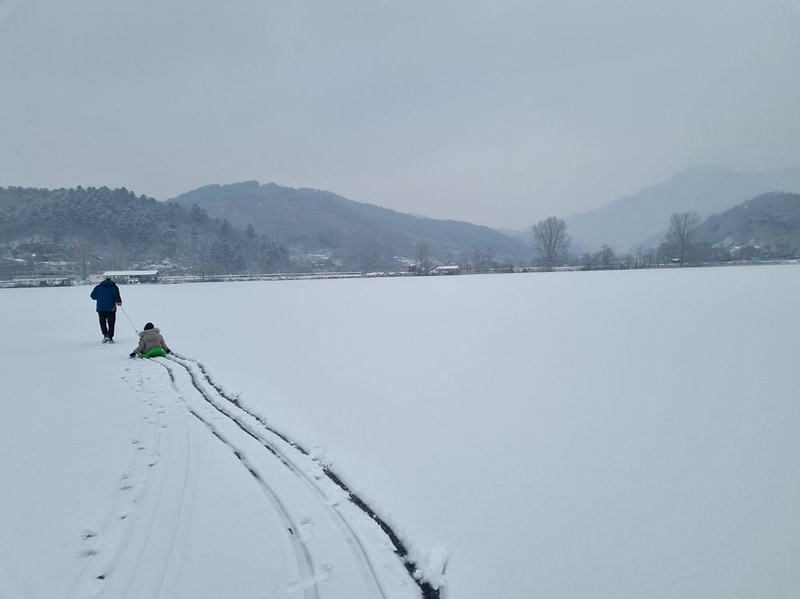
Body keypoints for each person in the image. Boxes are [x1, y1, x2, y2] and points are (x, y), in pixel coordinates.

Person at [90, 275, 122, 343]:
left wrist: (100, 297)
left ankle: (105, 335)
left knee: (102, 322)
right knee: (111, 323)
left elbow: (93, 296)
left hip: (101, 308)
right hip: (111, 308)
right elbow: (117, 296)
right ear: (111, 280)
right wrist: (119, 302)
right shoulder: (114, 287)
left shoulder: (98, 287)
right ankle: (110, 336)